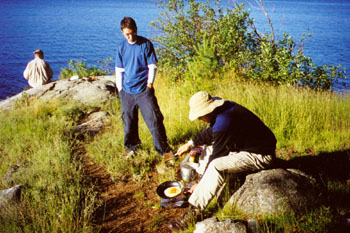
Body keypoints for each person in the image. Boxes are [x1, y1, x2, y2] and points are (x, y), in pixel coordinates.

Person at [170, 91, 277, 230]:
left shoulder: (224, 121)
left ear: (208, 110)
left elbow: (218, 155)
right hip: (245, 147)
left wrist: (202, 183)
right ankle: (201, 183)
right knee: (207, 147)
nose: (199, 119)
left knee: (215, 165)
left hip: (260, 155)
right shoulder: (224, 109)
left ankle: (194, 211)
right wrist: (190, 143)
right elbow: (210, 133)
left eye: (200, 115)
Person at [115, 17, 171, 156]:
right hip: (127, 92)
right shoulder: (121, 47)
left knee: (154, 120)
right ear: (122, 32)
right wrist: (120, 89)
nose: (130, 36)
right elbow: (119, 70)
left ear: (136, 30)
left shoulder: (146, 44)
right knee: (129, 123)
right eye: (127, 33)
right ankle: (132, 148)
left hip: (144, 91)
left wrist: (149, 85)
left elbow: (152, 66)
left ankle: (163, 150)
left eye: (132, 32)